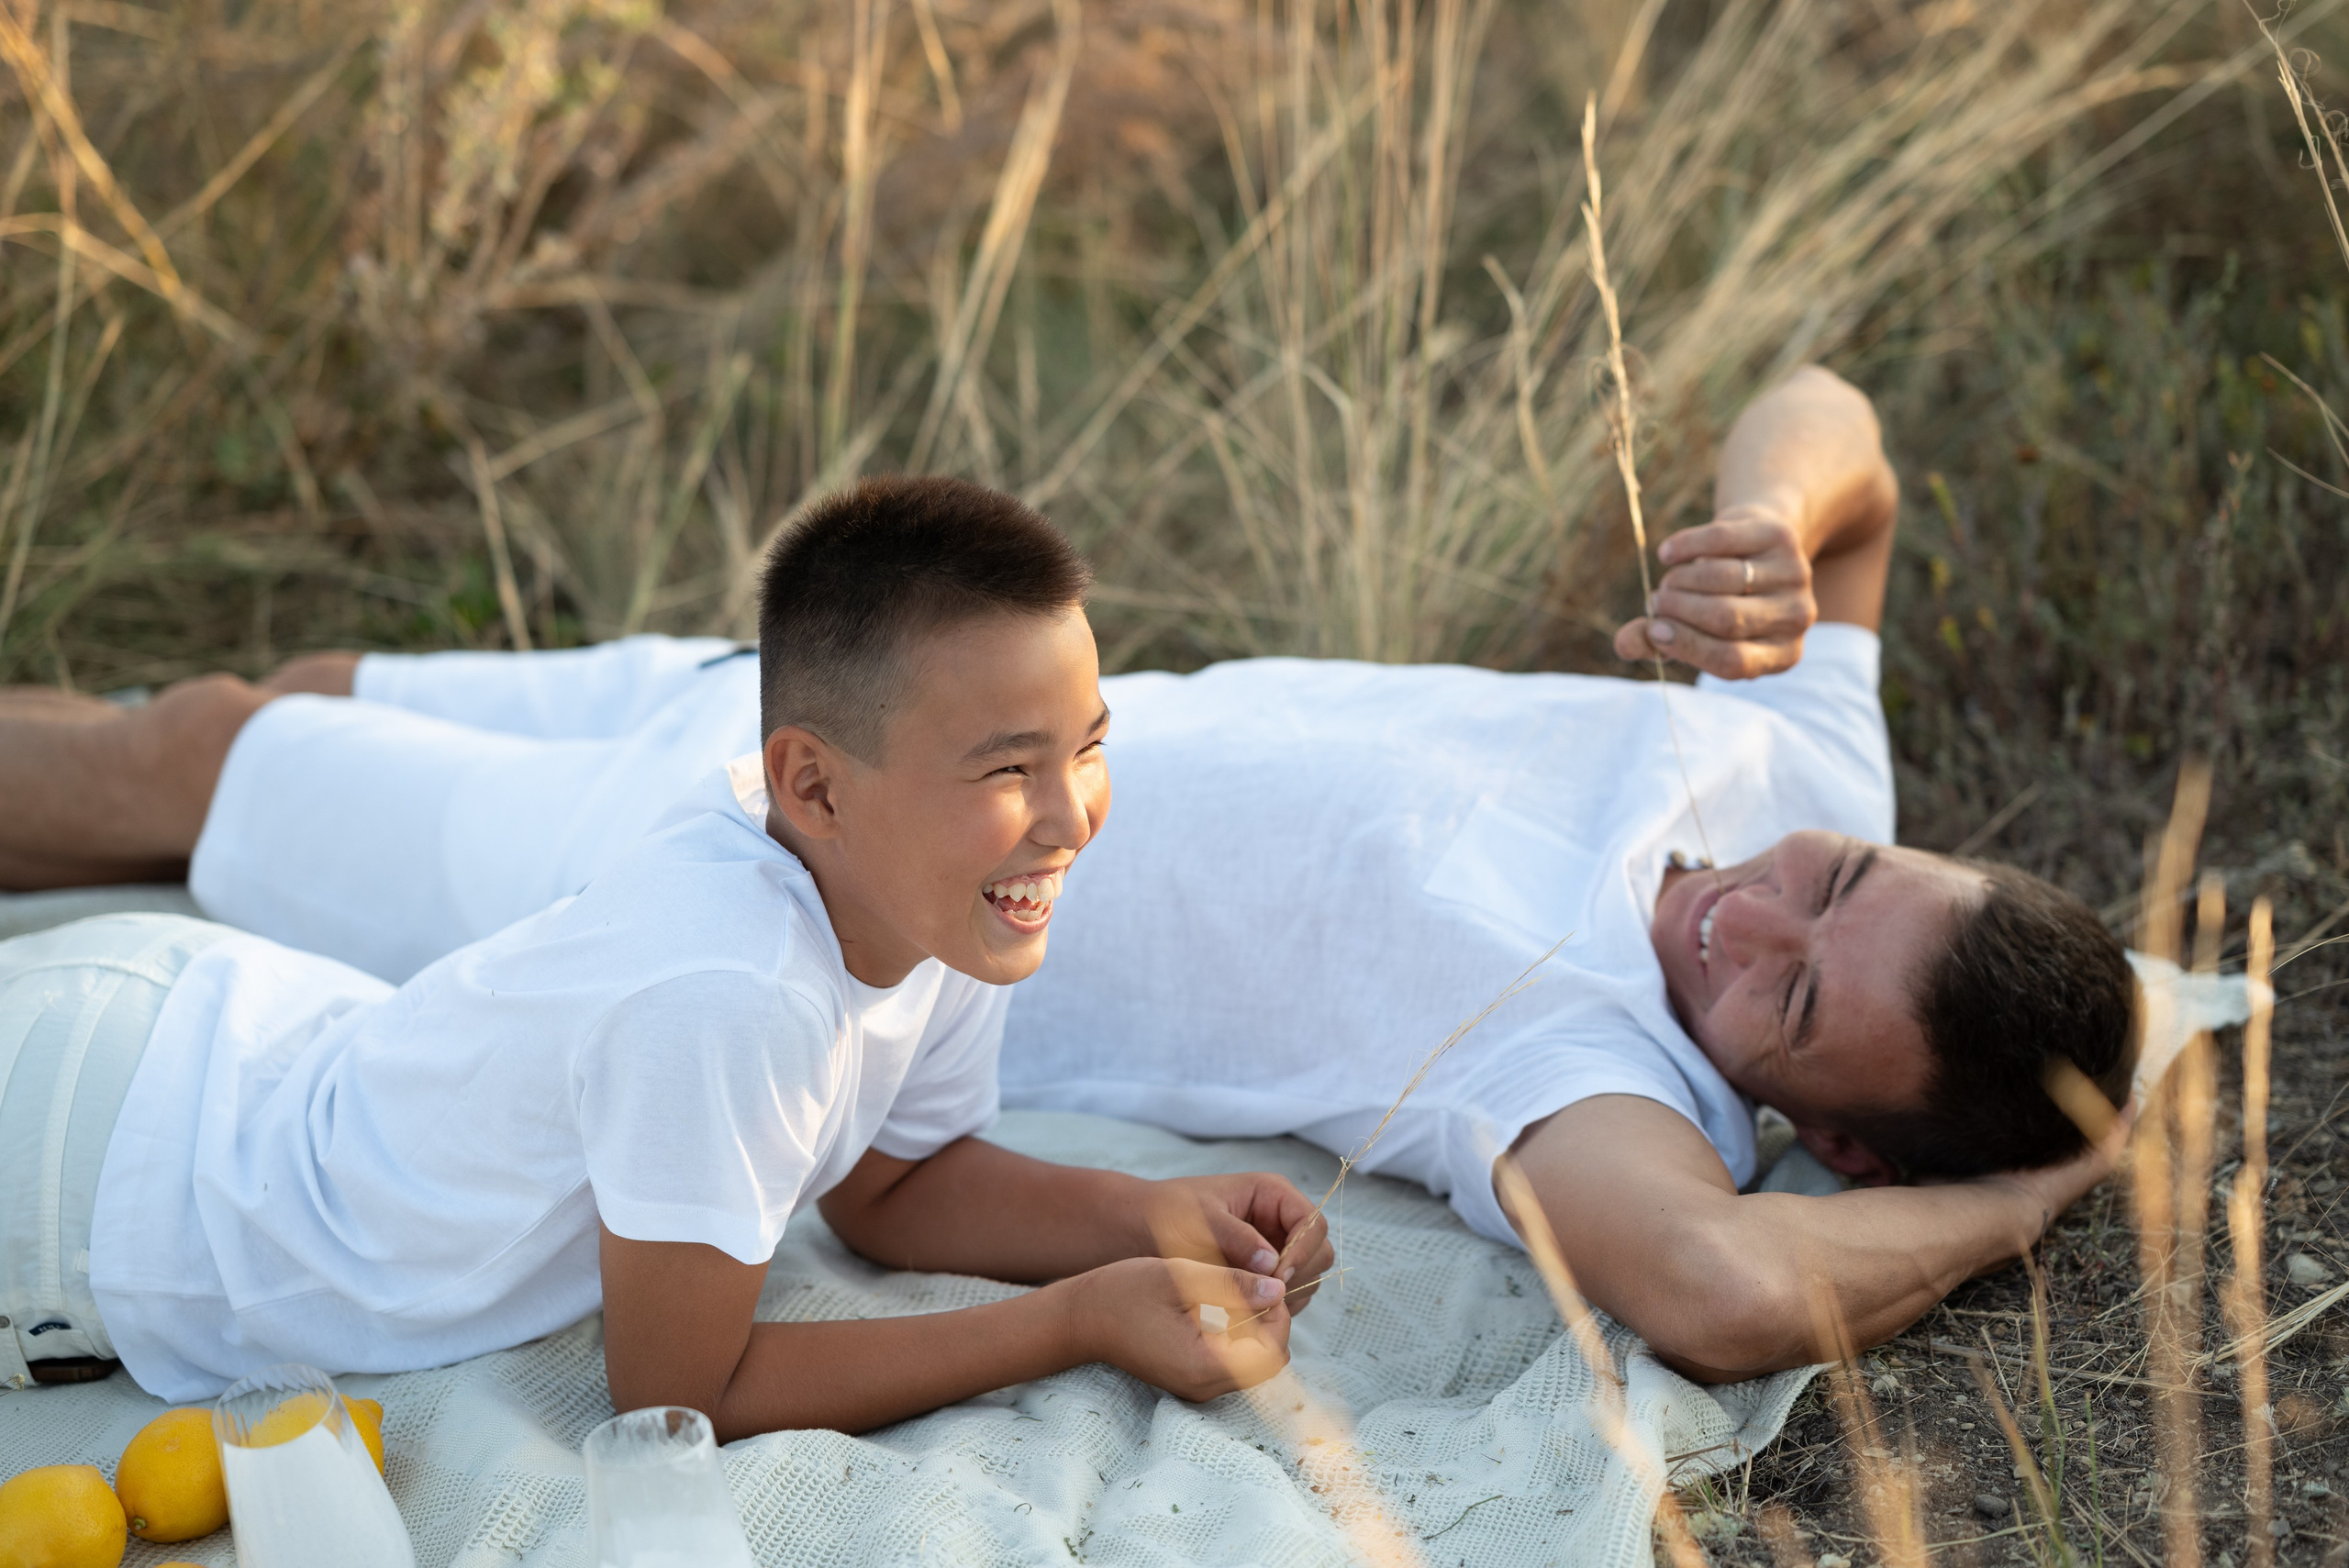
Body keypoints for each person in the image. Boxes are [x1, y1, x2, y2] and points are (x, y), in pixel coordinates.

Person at [0, 369, 2134, 1387]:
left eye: (1781, 1000)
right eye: (1829, 877)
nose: (1742, 912)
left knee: (190, 773)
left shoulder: (1589, 1081)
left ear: (1834, 1141)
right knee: (242, 708)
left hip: (802, 874)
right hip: (853, 699)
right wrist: (1769, 511)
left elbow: (1726, 1295)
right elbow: (1836, 427)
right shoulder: (1794, 752)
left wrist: (2042, 1189)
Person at [0, 478, 1334, 1434]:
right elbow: (682, 1394)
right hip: (98, 1176)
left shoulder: (934, 894)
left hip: (209, 1038)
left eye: (1088, 746)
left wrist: (1158, 1221)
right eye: (1007, 769)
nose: (1070, 816)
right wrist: (1076, 1318)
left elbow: (892, 1187)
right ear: (813, 784)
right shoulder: (732, 991)